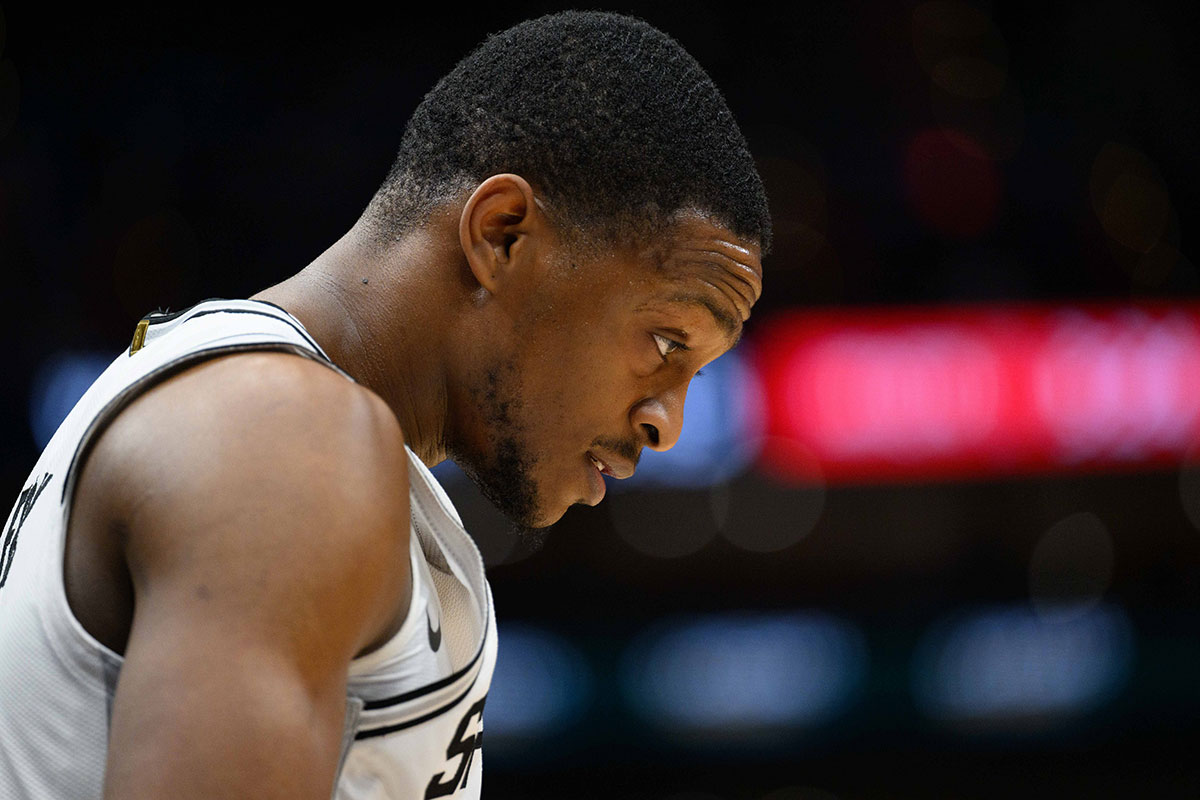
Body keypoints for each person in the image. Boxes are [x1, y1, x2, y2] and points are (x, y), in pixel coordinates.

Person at [0, 10, 769, 799]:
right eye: (668, 342)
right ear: (502, 235)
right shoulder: (282, 437)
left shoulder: (265, 415)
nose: (666, 424)